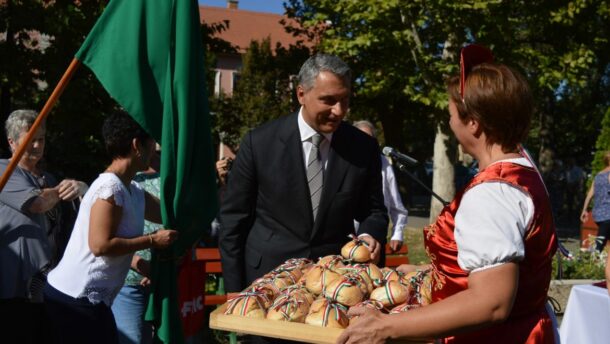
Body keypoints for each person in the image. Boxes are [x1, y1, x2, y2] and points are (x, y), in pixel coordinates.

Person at [338, 46, 558, 343]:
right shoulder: (521, 173)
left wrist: (386, 327)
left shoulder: (491, 194)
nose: (450, 122)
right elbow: (503, 267)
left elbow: (491, 302)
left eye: (452, 114)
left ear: (473, 123)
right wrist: (433, 270)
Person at [219, 54, 388, 295]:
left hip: (331, 288)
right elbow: (233, 221)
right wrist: (234, 290)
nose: (338, 111)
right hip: (266, 282)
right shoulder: (259, 143)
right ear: (301, 94)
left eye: (345, 100)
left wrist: (370, 234)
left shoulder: (362, 147)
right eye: (328, 100)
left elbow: (374, 210)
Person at [43, 110, 178, 344]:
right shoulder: (109, 187)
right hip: (74, 300)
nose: (154, 149)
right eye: (151, 143)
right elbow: (100, 245)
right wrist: (152, 240)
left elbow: (168, 214)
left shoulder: (132, 190)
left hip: (93, 301)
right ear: (137, 145)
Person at [0, 109, 87, 343]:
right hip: (14, 289)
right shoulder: (3, 171)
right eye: (31, 139)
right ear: (12, 141)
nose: (38, 145)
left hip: (50, 287)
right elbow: (38, 203)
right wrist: (64, 189)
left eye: (42, 139)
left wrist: (81, 187)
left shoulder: (48, 179)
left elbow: (82, 210)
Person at [111, 144, 162, 344]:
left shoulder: (174, 171)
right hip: (129, 281)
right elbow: (104, 236)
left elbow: (186, 222)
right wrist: (138, 263)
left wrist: (162, 268)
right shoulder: (121, 176)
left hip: (168, 276)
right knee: (133, 339)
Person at [353, 120, 408, 253]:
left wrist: (397, 233)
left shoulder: (383, 162)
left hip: (375, 239)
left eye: (369, 139)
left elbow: (396, 205)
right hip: (349, 240)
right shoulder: (345, 161)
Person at [580, 151, 610, 252]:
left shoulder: (599, 175)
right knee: (599, 245)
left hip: (598, 214)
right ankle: (589, 259)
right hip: (608, 214)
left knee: (602, 240)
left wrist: (584, 210)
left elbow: (590, 194)